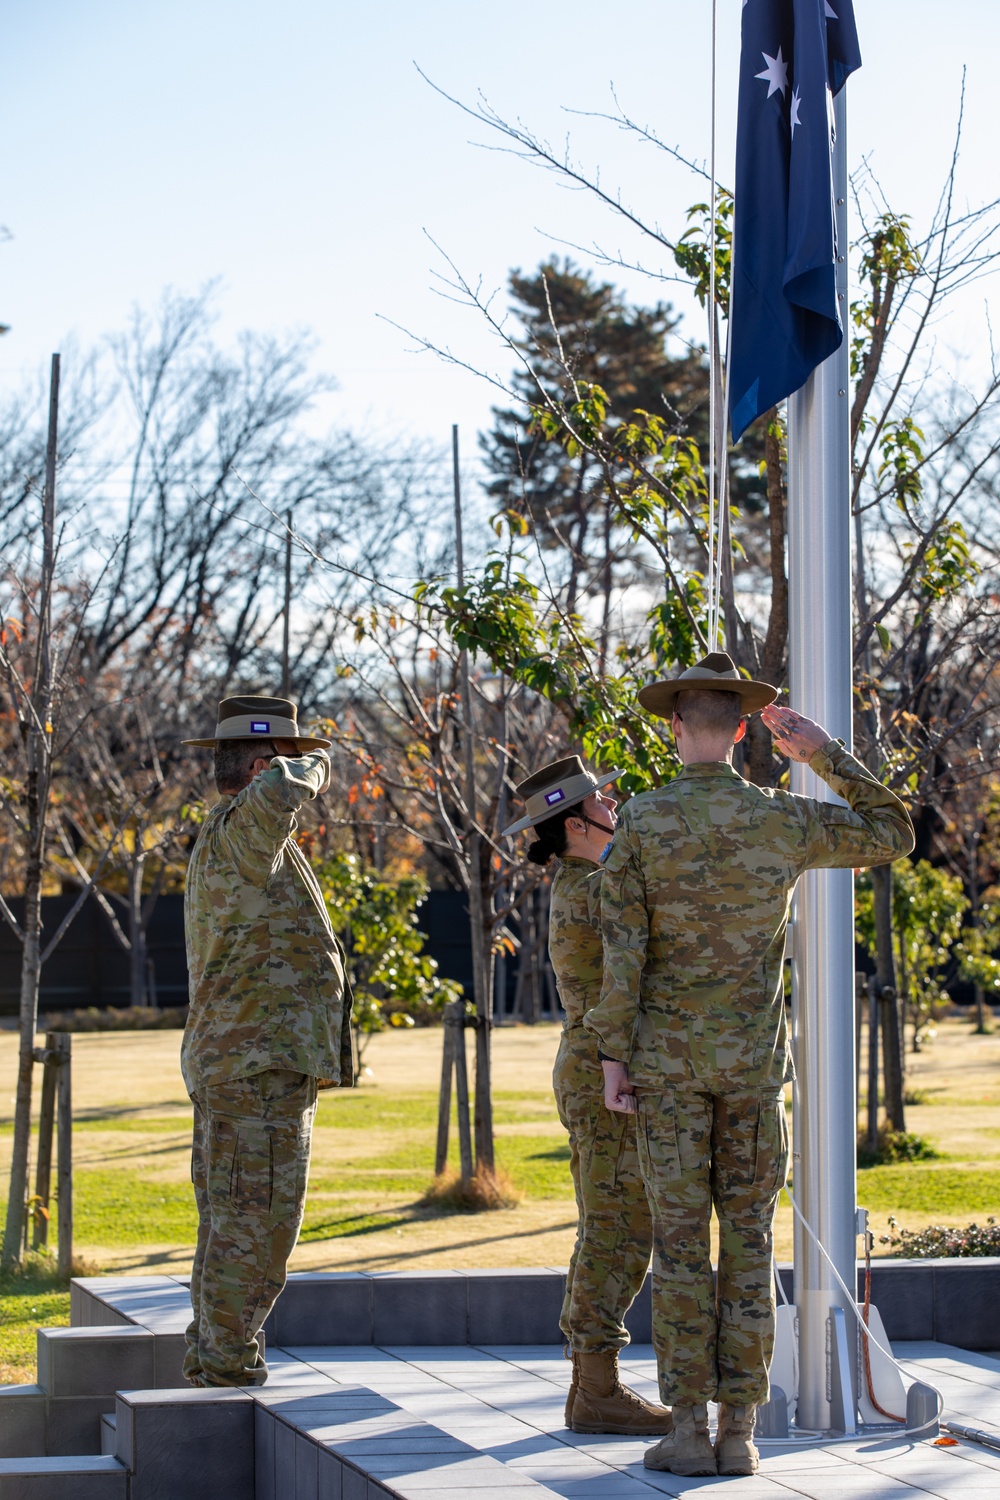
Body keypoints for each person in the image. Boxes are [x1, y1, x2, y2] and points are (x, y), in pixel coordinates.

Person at [584, 652, 914, 1478]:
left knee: (682, 1246)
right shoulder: (781, 818)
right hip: (752, 1070)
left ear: (672, 730)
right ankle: (741, 1433)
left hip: (664, 1067)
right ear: (740, 733)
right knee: (750, 1240)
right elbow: (894, 831)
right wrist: (820, 752)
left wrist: (612, 1054)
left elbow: (623, 956)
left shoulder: (642, 824)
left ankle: (687, 1428)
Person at [180, 694, 353, 1387]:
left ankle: (214, 1357)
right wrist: (316, 758)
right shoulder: (243, 830)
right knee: (256, 1226)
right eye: (283, 759)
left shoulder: (238, 837)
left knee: (235, 1222)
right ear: (259, 765)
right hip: (254, 1068)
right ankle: (225, 1367)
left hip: (256, 1064)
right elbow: (284, 787)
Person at [504, 756, 671, 1436]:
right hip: (604, 1071)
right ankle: (595, 1388)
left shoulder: (587, 881)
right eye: (605, 798)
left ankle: (592, 1387)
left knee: (619, 1225)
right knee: (615, 1229)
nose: (615, 801)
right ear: (577, 824)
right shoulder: (592, 889)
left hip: (602, 1065)